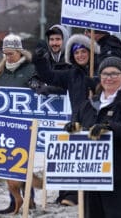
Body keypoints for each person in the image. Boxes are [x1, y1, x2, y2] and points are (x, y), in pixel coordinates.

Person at [72, 56, 121, 217]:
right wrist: (72, 128)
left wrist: (110, 127)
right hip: (95, 181)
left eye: (114, 74)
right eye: (105, 74)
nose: (109, 78)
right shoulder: (89, 104)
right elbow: (77, 123)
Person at [0, 33, 38, 214]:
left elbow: (40, 90)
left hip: (25, 124)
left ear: (19, 52)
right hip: (5, 125)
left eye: (11, 53)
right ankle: (15, 202)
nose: (8, 57)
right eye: (6, 53)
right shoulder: (0, 72)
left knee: (23, 164)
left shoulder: (30, 69)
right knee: (9, 164)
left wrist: (37, 85)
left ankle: (29, 200)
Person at [37, 25, 78, 206]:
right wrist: (35, 84)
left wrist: (51, 89)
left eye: (58, 39)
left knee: (69, 151)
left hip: (71, 110)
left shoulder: (72, 58)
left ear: (66, 40)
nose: (54, 43)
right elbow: (37, 76)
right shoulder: (46, 57)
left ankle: (71, 194)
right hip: (53, 114)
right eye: (52, 40)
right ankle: (62, 193)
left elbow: (69, 80)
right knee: (57, 152)